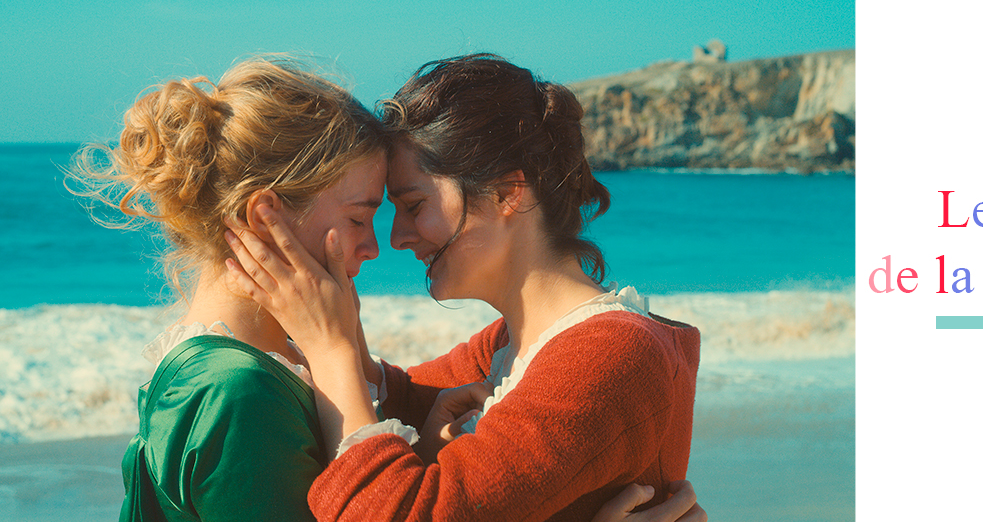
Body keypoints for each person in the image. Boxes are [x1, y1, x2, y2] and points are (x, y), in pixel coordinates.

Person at [74, 55, 700, 522]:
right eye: (366, 215)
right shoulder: (505, 350)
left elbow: (401, 501)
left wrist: (333, 348)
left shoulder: (605, 355)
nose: (391, 242)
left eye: (412, 204)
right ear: (265, 215)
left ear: (509, 193)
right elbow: (395, 403)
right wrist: (333, 347)